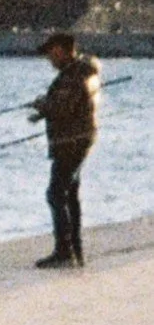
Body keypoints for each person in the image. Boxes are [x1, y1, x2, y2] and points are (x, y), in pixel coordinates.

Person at [30, 30, 100, 269]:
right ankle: (74, 248)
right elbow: (68, 105)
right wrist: (42, 111)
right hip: (78, 140)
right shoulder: (80, 72)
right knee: (69, 194)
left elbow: (63, 109)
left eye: (50, 54)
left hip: (71, 142)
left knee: (55, 193)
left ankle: (64, 252)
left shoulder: (72, 76)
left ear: (59, 50)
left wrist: (42, 104)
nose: (49, 59)